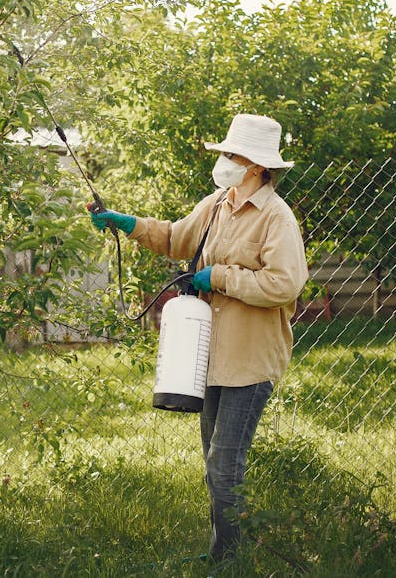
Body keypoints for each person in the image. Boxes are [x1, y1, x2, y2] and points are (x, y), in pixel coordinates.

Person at [89, 114, 309, 561]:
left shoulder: (275, 219)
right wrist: (125, 223)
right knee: (215, 463)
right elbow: (173, 237)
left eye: (232, 155)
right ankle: (225, 554)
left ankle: (229, 561)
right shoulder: (216, 204)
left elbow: (285, 284)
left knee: (225, 466)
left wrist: (221, 276)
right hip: (210, 356)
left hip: (250, 360)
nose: (224, 161)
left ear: (256, 166)